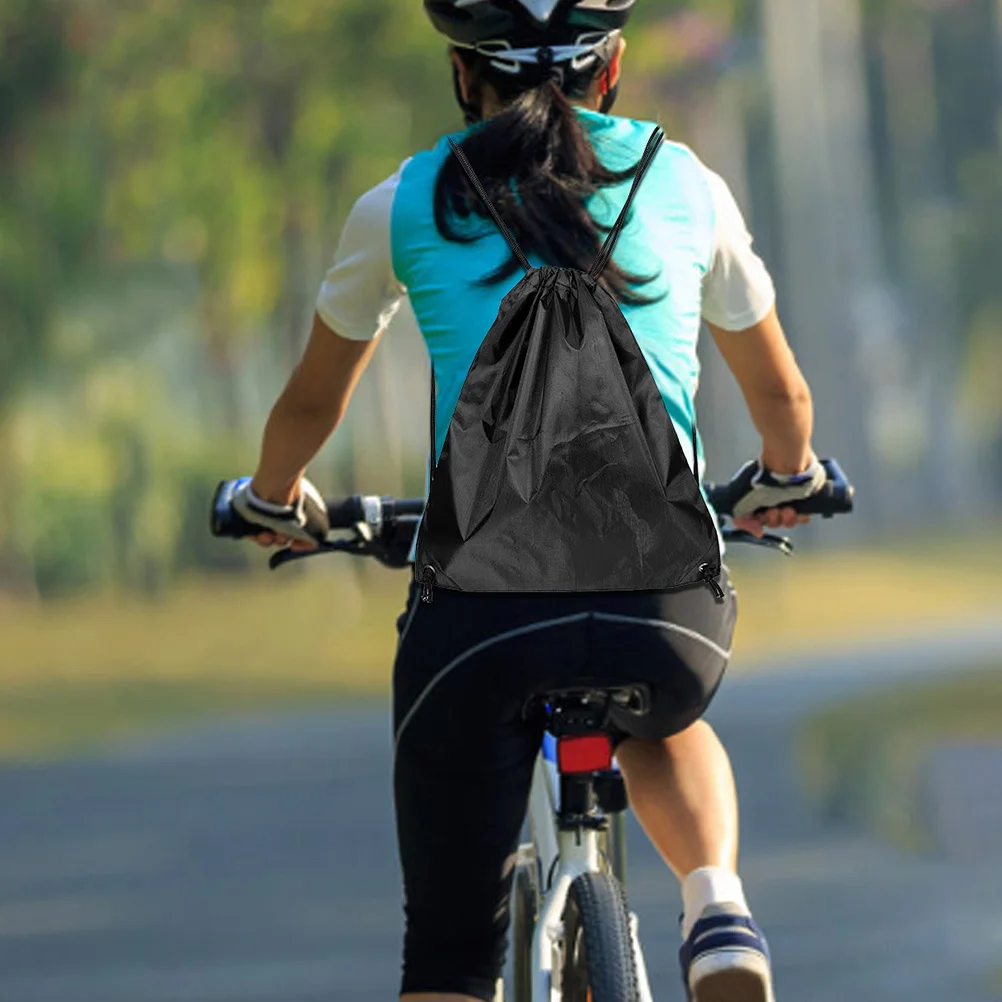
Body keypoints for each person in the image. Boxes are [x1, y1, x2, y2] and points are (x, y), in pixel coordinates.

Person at [235, 2, 827, 1000]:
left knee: (452, 957)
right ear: (615, 68)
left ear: (465, 76)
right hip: (666, 617)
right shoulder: (684, 183)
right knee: (662, 712)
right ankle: (717, 903)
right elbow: (785, 401)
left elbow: (309, 403)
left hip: (481, 624)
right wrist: (788, 478)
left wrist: (274, 498)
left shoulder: (408, 201)